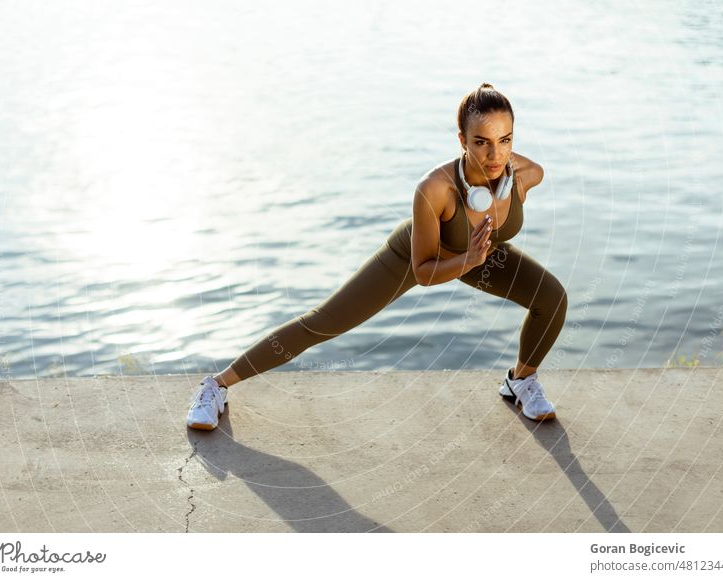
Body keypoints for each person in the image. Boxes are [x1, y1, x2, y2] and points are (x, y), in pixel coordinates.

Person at [187, 82, 568, 430]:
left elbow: (498, 223)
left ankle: (520, 380)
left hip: (480, 253)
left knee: (552, 298)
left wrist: (475, 256)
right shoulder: (434, 189)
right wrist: (468, 259)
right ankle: (217, 385)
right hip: (420, 255)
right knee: (323, 323)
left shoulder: (527, 174)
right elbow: (423, 272)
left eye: (505, 140)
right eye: (482, 141)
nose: (495, 153)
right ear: (462, 140)